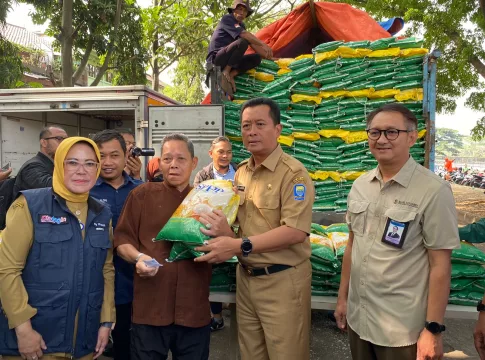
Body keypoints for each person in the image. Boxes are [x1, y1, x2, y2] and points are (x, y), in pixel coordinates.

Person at [334, 103, 460, 360]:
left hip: (402, 330)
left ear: (412, 137)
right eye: (374, 132)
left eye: (392, 132)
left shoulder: (433, 190)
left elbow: (440, 266)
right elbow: (352, 246)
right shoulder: (360, 186)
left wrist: (432, 329)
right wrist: (342, 298)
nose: (381, 139)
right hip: (360, 319)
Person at [194, 98, 315, 360]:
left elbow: (295, 231)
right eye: (246, 125)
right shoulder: (241, 173)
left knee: (287, 354)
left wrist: (238, 245)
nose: (252, 131)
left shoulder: (294, 174)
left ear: (278, 129)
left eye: (260, 124)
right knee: (250, 354)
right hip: (246, 279)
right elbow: (239, 223)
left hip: (282, 280)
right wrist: (220, 230)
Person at [0, 137, 115, 360]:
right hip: (36, 341)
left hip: (84, 343)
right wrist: (23, 330)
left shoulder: (102, 213)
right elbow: (6, 270)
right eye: (72, 162)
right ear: (59, 165)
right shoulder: (29, 205)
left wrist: (105, 321)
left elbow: (106, 271)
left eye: (90, 163)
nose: (82, 171)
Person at [114, 133, 212, 360]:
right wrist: (138, 257)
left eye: (181, 159)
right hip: (150, 308)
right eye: (167, 159)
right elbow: (122, 241)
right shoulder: (141, 195)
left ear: (194, 163)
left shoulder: (205, 201)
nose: (174, 165)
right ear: (159, 162)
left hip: (193, 309)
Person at [90, 130, 143, 360]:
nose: (108, 162)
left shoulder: (141, 190)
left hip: (132, 284)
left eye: (114, 155)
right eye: (101, 156)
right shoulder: (84, 190)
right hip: (94, 281)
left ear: (126, 156)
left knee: (127, 342)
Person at [193, 135, 236, 332]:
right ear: (211, 154)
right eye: (221, 152)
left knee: (237, 270)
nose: (225, 156)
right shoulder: (203, 175)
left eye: (228, 152)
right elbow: (196, 202)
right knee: (214, 272)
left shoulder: (240, 173)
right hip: (211, 229)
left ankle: (239, 313)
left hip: (236, 229)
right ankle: (216, 315)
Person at [206, 0, 272, 96]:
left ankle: (232, 74)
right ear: (234, 10)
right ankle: (227, 71)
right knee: (242, 42)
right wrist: (263, 44)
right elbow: (244, 36)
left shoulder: (241, 25)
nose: (242, 13)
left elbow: (252, 44)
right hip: (217, 59)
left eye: (245, 11)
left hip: (230, 60)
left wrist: (269, 56)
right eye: (239, 9)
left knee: (256, 58)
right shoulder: (227, 19)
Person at [13, 126, 68, 196]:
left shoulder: (55, 164)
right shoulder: (32, 166)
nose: (64, 143)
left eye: (66, 140)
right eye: (59, 139)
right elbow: (52, 188)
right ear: (44, 143)